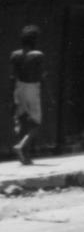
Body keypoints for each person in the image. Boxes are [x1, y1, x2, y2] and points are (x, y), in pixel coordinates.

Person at [10, 25, 45, 165]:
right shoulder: (38, 55)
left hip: (19, 87)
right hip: (32, 88)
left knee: (22, 120)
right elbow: (41, 76)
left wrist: (12, 95)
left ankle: (25, 158)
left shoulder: (15, 55)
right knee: (36, 123)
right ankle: (21, 146)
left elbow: (12, 76)